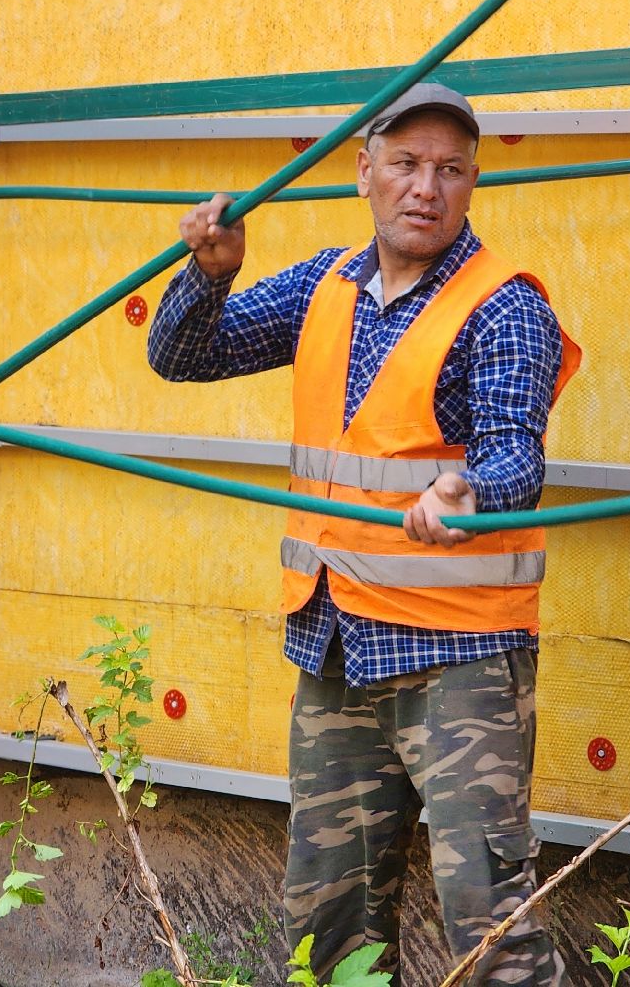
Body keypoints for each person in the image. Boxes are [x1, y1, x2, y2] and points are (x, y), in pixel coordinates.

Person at [147, 84, 581, 984]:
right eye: (407, 163)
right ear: (363, 171)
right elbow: (183, 357)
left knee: (488, 919)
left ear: (471, 183)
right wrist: (209, 273)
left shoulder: (505, 306)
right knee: (329, 914)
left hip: (457, 660)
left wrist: (466, 489)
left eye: (451, 170)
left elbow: (515, 455)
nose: (427, 187)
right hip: (336, 643)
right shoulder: (325, 284)